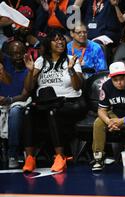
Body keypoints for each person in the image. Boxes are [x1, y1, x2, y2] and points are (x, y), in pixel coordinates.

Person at [22, 30, 87, 173]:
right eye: (56, 40)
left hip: (70, 102)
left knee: (53, 111)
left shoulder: (71, 59)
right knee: (27, 111)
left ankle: (60, 157)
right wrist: (30, 71)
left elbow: (78, 86)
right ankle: (30, 158)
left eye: (62, 39)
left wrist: (71, 70)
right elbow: (29, 88)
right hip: (45, 102)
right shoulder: (40, 61)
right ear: (48, 44)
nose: (60, 42)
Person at [0, 40, 33, 168]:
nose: (18, 56)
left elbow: (25, 94)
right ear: (9, 55)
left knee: (15, 110)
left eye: (20, 53)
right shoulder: (6, 62)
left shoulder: (29, 68)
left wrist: (7, 100)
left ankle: (12, 154)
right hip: (2, 103)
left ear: (26, 53)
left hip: (20, 104)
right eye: (14, 54)